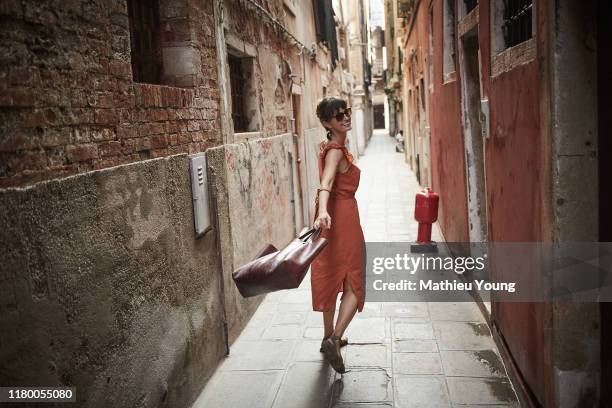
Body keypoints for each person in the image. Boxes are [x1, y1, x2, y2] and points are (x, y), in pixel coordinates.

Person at [311, 97, 366, 374]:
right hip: (341, 218)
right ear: (326, 123)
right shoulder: (334, 150)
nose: (345, 117)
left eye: (346, 112)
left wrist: (322, 214)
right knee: (354, 281)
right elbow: (326, 182)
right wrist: (323, 210)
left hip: (332, 218)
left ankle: (328, 336)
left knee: (332, 274)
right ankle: (334, 339)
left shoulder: (331, 147)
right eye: (337, 115)